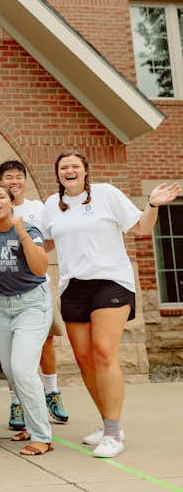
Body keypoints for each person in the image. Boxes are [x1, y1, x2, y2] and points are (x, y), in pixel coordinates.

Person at [43, 151, 179, 458]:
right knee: (84, 359)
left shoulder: (106, 194)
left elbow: (141, 228)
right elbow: (45, 243)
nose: (69, 170)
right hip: (73, 286)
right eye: (63, 167)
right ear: (58, 173)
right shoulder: (52, 204)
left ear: (85, 171)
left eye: (75, 166)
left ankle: (114, 433)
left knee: (103, 350)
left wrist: (152, 205)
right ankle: (108, 422)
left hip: (111, 281)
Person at [0, 160, 68, 431]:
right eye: (7, 178)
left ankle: (49, 399)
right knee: (13, 367)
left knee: (36, 352)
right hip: (4, 298)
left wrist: (27, 243)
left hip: (34, 294)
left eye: (18, 177)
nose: (13, 181)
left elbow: (44, 255)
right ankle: (19, 404)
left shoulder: (34, 212)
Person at [0, 185, 53, 456]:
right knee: (12, 372)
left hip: (32, 304)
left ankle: (42, 436)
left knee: (23, 370)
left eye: (1, 196)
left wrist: (22, 232)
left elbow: (40, 267)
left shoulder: (29, 229)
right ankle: (29, 424)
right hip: (3, 305)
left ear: (11, 203)